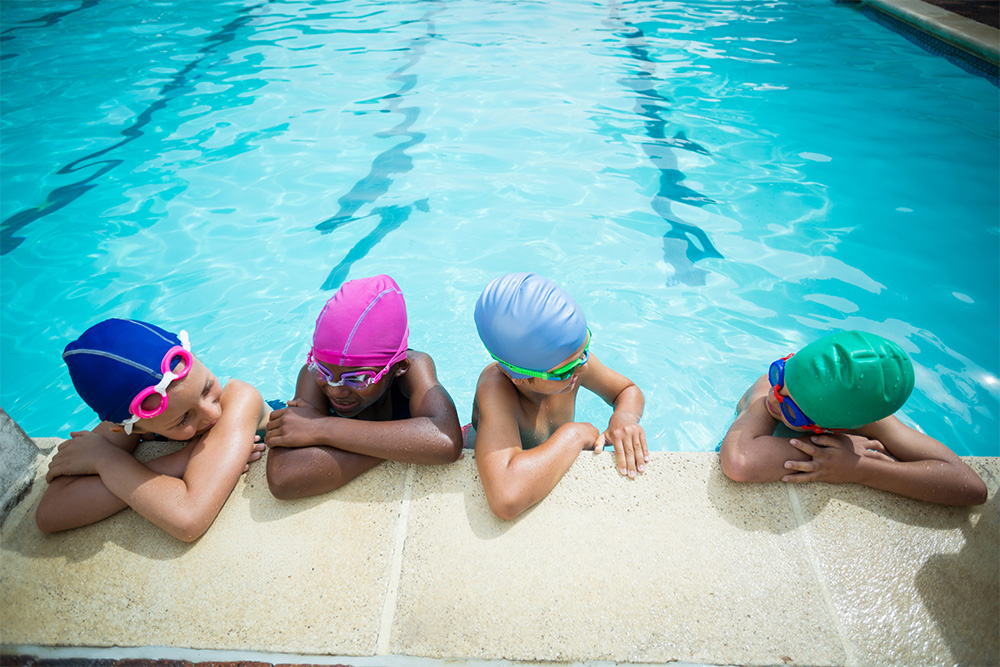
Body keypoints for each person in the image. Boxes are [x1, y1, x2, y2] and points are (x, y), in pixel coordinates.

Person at [36, 318, 269, 541]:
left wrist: (108, 462)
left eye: (207, 387)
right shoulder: (133, 421)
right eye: (183, 419)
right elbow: (50, 513)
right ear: (130, 430)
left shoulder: (239, 398)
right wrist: (178, 460)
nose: (212, 413)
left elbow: (188, 517)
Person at [719, 330, 987, 506]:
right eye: (781, 372)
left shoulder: (869, 419)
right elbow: (740, 462)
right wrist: (840, 450)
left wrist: (859, 469)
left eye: (793, 408)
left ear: (843, 427)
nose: (775, 396)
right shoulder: (766, 389)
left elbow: (971, 487)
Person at [264, 274, 463, 499]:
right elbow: (284, 478)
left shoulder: (414, 368)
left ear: (398, 367)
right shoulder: (312, 377)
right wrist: (408, 447)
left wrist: (321, 428)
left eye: (357, 378)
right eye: (323, 371)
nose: (334, 389)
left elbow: (445, 440)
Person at [469, 272, 648, 520]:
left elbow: (626, 390)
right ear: (520, 376)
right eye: (564, 370)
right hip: (491, 450)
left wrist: (625, 417)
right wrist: (574, 434)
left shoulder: (573, 362)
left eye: (585, 348)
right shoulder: (496, 389)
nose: (583, 367)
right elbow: (505, 497)